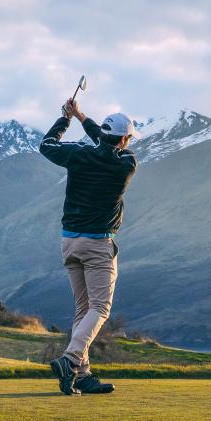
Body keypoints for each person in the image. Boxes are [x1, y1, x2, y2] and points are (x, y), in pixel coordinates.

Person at [39, 97, 138, 395]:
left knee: (83, 310)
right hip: (97, 245)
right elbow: (105, 142)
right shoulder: (126, 163)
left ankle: (82, 376)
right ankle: (70, 360)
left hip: (69, 242)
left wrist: (68, 119)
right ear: (124, 139)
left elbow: (47, 145)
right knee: (100, 308)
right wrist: (82, 118)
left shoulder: (79, 155)